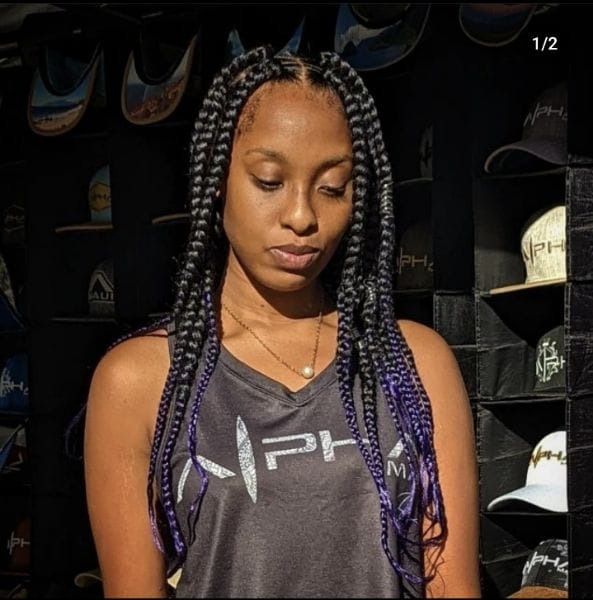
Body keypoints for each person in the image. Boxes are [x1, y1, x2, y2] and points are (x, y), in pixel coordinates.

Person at [82, 45, 480, 598]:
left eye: (332, 187)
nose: (302, 216)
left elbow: (451, 586)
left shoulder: (413, 363)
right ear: (216, 179)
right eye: (269, 181)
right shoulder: (140, 380)